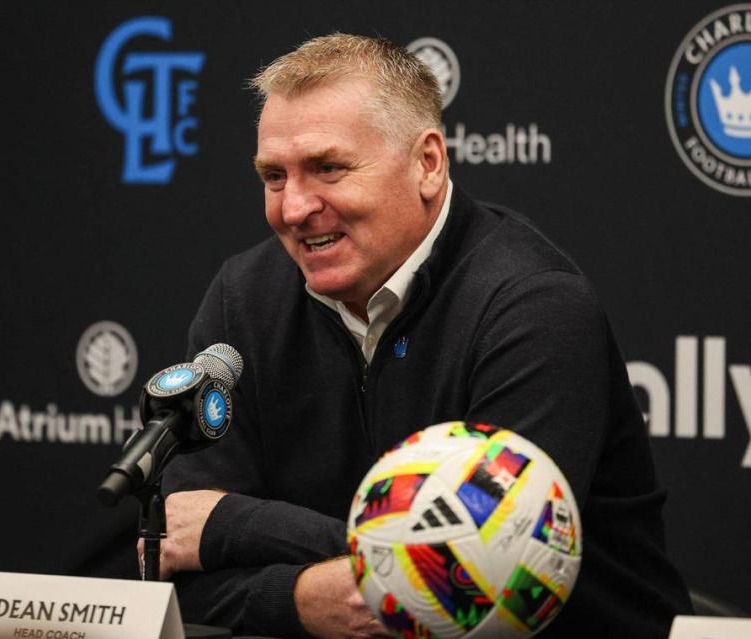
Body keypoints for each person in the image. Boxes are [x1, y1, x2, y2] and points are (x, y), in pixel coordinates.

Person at [156, 33, 692, 638]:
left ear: (428, 164)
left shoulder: (534, 306)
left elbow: (472, 573)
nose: (294, 207)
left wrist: (234, 528)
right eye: (274, 176)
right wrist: (308, 598)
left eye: (328, 168)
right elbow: (172, 561)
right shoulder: (244, 298)